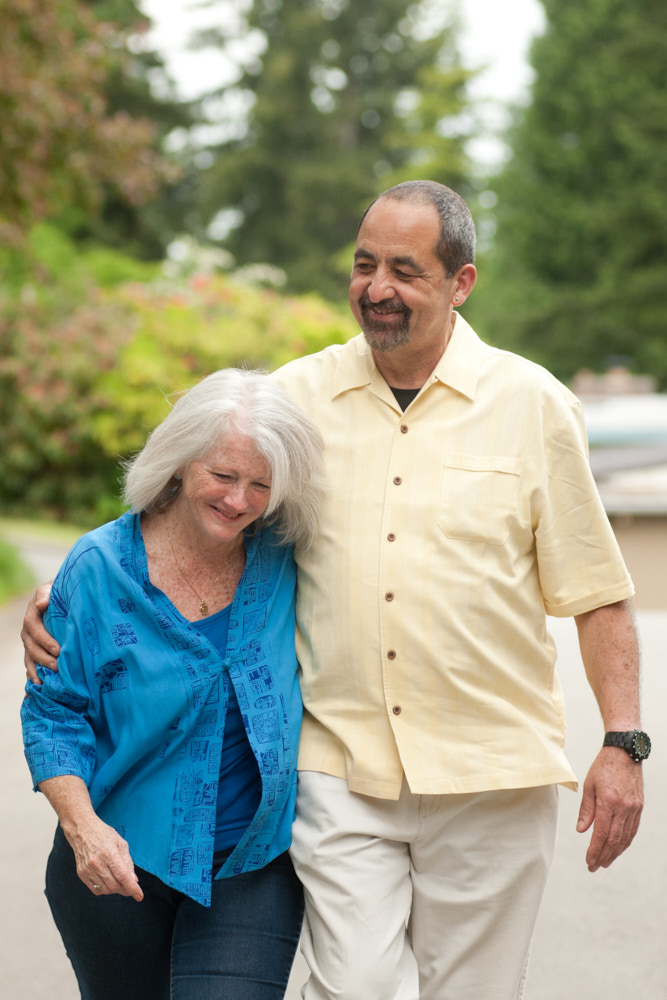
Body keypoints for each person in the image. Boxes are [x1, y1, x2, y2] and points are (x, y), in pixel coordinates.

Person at [22, 182, 648, 1000]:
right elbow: (202, 484)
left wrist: (623, 740)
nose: (376, 287)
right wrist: (78, 591)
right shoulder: (298, 397)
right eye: (363, 265)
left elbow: (598, 591)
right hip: (337, 769)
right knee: (351, 988)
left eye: (404, 270)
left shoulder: (533, 406)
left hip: (490, 770)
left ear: (460, 282)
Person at [20, 368, 324, 1000]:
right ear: (181, 462)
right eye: (223, 475)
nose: (239, 500)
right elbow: (54, 716)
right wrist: (82, 827)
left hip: (250, 862)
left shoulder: (289, 557)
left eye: (260, 485)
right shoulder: (98, 569)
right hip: (116, 859)